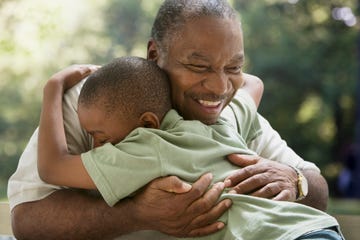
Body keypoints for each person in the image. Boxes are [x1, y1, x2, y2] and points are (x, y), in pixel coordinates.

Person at [8, 0, 329, 239]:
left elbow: (317, 191)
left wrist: (294, 180)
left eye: (233, 67)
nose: (219, 87)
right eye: (200, 66)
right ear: (154, 55)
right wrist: (135, 215)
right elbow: (27, 220)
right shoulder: (94, 104)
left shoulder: (227, 116)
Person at [38, 56, 341, 240]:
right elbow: (254, 85)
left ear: (147, 124)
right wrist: (221, 74)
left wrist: (53, 88)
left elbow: (52, 167)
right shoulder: (221, 121)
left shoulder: (143, 146)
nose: (96, 146)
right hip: (318, 228)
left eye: (101, 137)